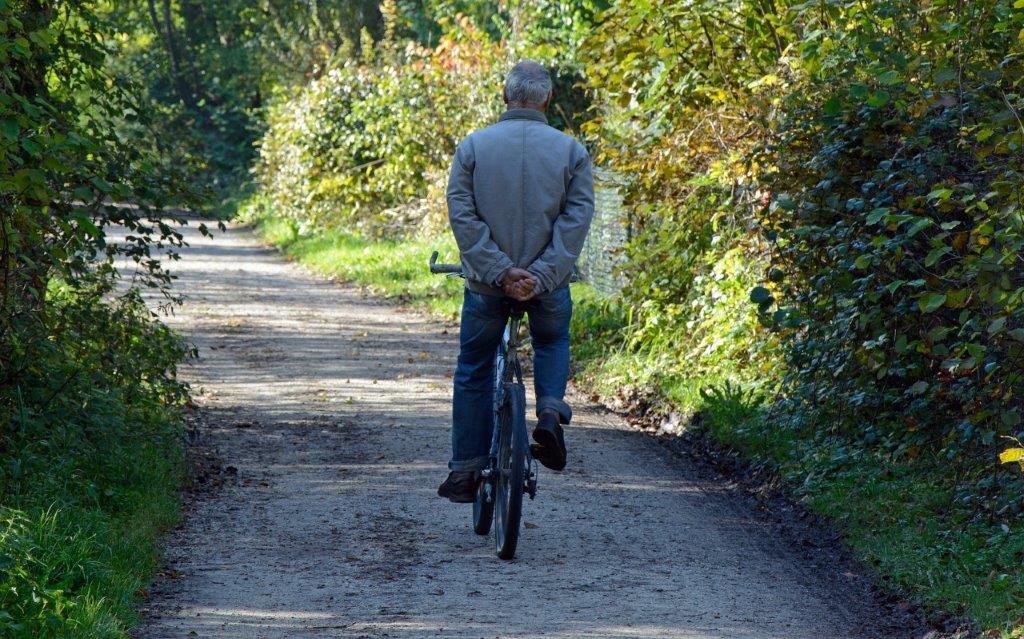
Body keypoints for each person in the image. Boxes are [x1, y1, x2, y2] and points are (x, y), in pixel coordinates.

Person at [437, 61, 595, 503]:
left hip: (489, 287)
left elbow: (462, 214)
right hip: (547, 286)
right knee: (550, 339)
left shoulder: (473, 147)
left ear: (505, 97)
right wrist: (542, 274)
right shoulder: (571, 151)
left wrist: (500, 271)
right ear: (546, 99)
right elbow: (577, 219)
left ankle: (466, 471)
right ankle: (547, 412)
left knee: (474, 367)